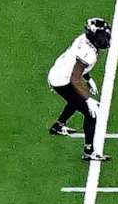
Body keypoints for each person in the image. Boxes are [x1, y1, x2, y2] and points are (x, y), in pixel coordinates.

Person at [46, 15, 114, 161]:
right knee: (91, 113)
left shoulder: (84, 39)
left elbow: (76, 65)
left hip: (60, 73)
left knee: (75, 100)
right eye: (101, 35)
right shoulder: (88, 52)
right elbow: (75, 78)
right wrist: (88, 99)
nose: (105, 38)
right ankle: (89, 151)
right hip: (62, 80)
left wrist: (88, 79)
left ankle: (58, 126)